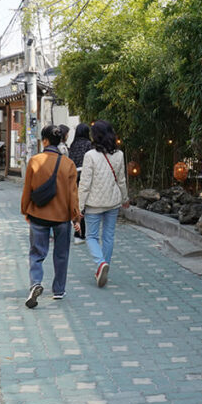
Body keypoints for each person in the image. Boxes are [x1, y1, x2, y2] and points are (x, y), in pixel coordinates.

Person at [20, 125, 81, 307]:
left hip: (38, 214)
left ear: (44, 141)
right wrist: (75, 216)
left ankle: (36, 283)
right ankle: (59, 290)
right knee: (61, 254)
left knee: (37, 253)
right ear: (61, 140)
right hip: (62, 216)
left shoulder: (34, 161)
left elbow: (27, 189)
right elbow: (73, 194)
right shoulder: (68, 164)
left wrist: (25, 210)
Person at [78, 120, 129, 287]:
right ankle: (103, 267)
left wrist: (79, 207)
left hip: (94, 203)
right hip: (113, 202)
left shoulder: (90, 156)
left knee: (91, 236)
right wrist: (125, 198)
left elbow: (85, 184)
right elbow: (121, 180)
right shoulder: (119, 155)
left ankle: (100, 264)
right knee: (108, 236)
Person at [68, 123, 93, 241]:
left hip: (74, 177)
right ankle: (86, 234)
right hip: (85, 176)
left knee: (78, 206)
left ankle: (78, 233)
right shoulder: (89, 145)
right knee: (86, 206)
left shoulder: (72, 145)